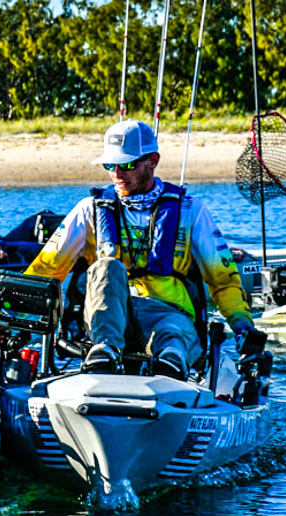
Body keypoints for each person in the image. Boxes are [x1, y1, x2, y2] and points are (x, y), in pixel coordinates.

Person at [25, 119, 255, 379]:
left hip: (169, 315)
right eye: (110, 165)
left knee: (172, 340)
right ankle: (104, 353)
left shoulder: (192, 211)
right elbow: (45, 270)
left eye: (127, 165)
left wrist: (243, 328)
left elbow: (224, 281)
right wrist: (16, 319)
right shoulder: (89, 209)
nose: (117, 174)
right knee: (106, 265)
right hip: (109, 319)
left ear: (153, 161)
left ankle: (171, 365)